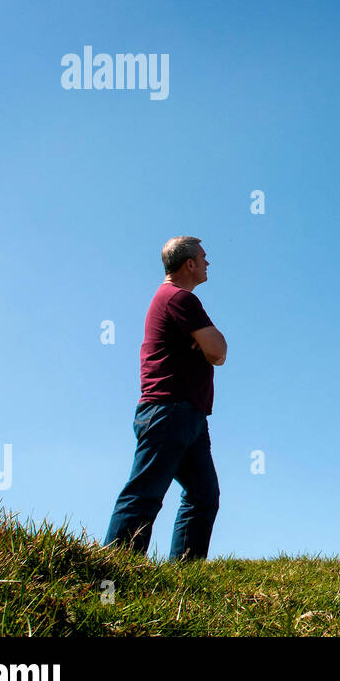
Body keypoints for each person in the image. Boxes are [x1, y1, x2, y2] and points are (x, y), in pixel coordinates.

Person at [104, 236, 227, 560]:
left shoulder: (173, 300)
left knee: (203, 495)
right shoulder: (179, 299)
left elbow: (214, 351)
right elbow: (218, 350)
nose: (207, 263)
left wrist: (204, 345)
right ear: (189, 264)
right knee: (144, 493)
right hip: (169, 411)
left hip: (189, 416)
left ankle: (185, 576)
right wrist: (206, 344)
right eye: (203, 257)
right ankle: (113, 574)